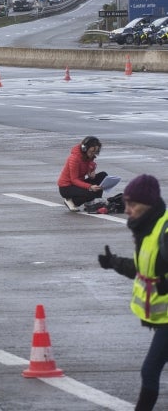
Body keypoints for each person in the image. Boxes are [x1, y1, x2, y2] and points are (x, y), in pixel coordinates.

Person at [97, 175, 168, 411]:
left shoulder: (164, 231)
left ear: (148, 204)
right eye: (126, 203)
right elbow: (145, 269)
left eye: (132, 204)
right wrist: (113, 262)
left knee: (150, 370)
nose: (127, 210)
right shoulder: (147, 228)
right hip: (163, 318)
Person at [58, 136, 108, 211]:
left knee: (103, 175)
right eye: (91, 152)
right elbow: (74, 180)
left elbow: (89, 166)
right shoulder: (74, 158)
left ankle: (91, 201)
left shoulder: (88, 156)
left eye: (95, 152)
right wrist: (90, 187)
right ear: (84, 148)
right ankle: (71, 201)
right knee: (91, 193)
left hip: (78, 183)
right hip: (67, 187)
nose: (93, 154)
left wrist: (91, 173)